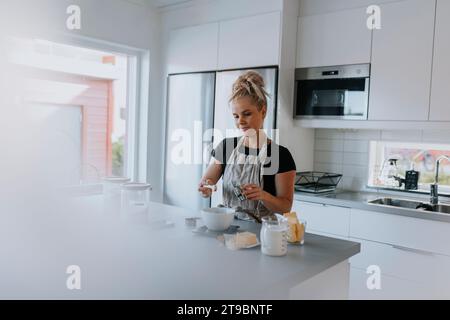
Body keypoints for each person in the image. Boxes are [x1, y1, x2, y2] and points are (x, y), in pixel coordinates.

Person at [198, 70, 296, 218]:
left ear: (263, 111)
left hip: (261, 231)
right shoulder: (226, 147)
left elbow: (285, 207)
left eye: (247, 114)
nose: (240, 122)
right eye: (236, 116)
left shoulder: (280, 155)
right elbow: (207, 182)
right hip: (227, 225)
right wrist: (206, 188)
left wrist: (263, 195)